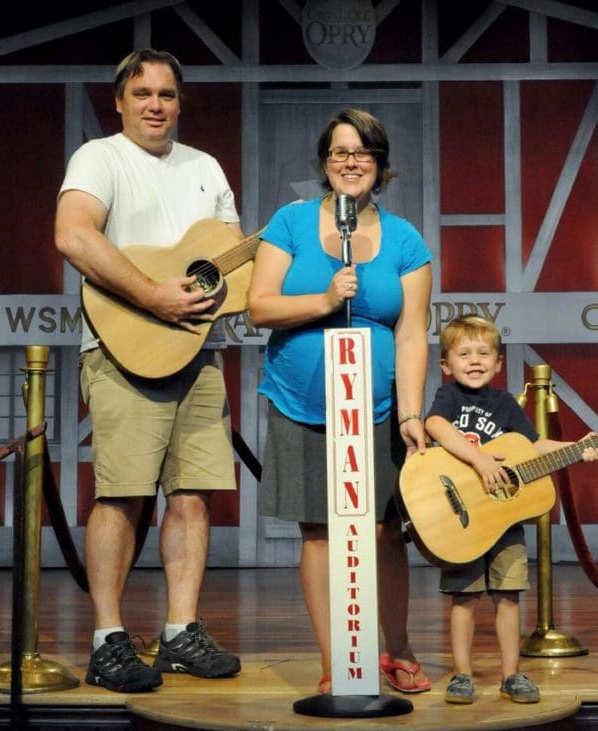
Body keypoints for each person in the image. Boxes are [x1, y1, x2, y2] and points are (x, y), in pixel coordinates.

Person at [54, 48, 242, 693]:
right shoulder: (99, 158)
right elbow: (74, 236)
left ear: (180, 101)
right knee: (124, 492)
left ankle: (181, 632)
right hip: (121, 349)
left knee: (192, 494)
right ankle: (108, 638)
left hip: (195, 353)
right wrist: (150, 295)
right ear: (119, 102)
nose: (155, 105)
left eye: (166, 94)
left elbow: (231, 262)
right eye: (142, 94)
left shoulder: (205, 167)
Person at [247, 108, 433, 695]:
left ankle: (395, 650)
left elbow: (410, 332)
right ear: (325, 164)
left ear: (380, 165)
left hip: (376, 409)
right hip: (303, 405)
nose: (351, 163)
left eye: (363, 153)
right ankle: (338, 662)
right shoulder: (291, 222)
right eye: (339, 153)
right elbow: (258, 308)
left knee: (383, 531)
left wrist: (409, 412)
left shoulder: (405, 238)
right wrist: (326, 299)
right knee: (320, 533)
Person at [422, 315, 598, 705]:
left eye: (484, 353)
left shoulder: (504, 403)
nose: (475, 360)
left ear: (499, 363)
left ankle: (511, 674)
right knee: (464, 597)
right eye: (464, 353)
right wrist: (481, 460)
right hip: (464, 521)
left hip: (503, 520)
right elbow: (435, 425)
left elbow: (533, 446)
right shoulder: (449, 398)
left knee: (508, 596)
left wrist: (577, 447)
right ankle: (462, 675)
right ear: (446, 365)